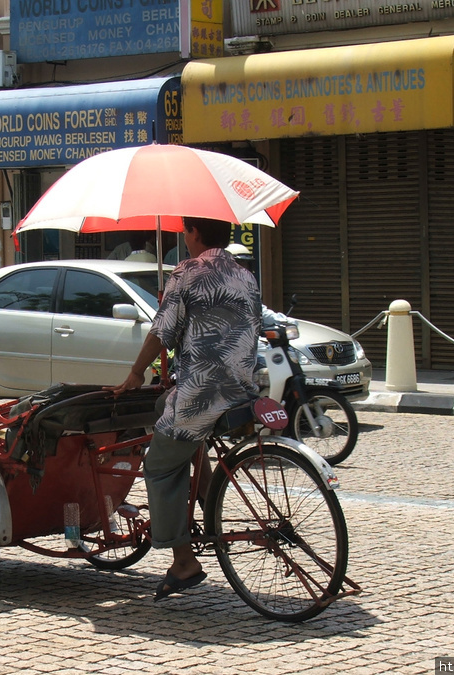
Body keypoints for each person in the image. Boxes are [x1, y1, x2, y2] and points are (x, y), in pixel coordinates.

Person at [106, 217, 261, 601]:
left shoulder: (188, 272)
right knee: (166, 410)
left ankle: (183, 560)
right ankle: (207, 493)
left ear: (193, 233)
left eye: (185, 232)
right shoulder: (245, 276)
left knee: (159, 464)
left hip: (203, 392)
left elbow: (162, 331)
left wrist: (136, 373)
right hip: (241, 389)